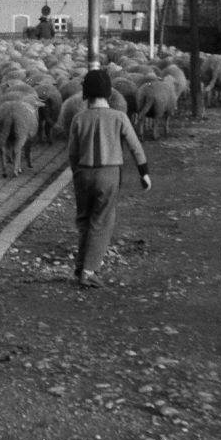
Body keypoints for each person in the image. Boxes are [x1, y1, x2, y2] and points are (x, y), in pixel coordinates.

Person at [67, 69, 152, 288]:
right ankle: (89, 270)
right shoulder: (119, 117)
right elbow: (135, 146)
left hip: (83, 173)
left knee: (84, 219)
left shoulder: (78, 118)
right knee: (102, 221)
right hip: (109, 174)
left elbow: (72, 153)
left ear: (86, 94)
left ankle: (80, 266)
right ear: (109, 94)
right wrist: (144, 173)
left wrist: (77, 172)